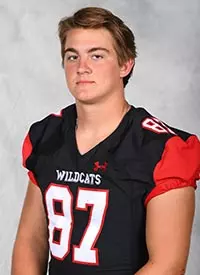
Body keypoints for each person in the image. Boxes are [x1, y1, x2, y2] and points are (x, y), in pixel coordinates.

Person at [11, 6, 200, 275]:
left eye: (97, 56)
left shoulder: (162, 149)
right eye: (72, 56)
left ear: (125, 64)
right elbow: (31, 241)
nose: (82, 67)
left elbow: (167, 265)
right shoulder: (46, 135)